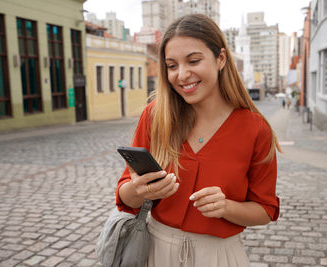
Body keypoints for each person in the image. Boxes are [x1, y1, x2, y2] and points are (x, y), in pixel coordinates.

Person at [116, 14, 281, 267]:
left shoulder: (255, 129)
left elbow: (265, 211)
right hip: (156, 252)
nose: (182, 75)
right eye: (172, 66)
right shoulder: (155, 116)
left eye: (193, 60)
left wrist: (226, 207)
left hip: (220, 257)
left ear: (221, 59)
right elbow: (124, 196)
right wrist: (140, 190)